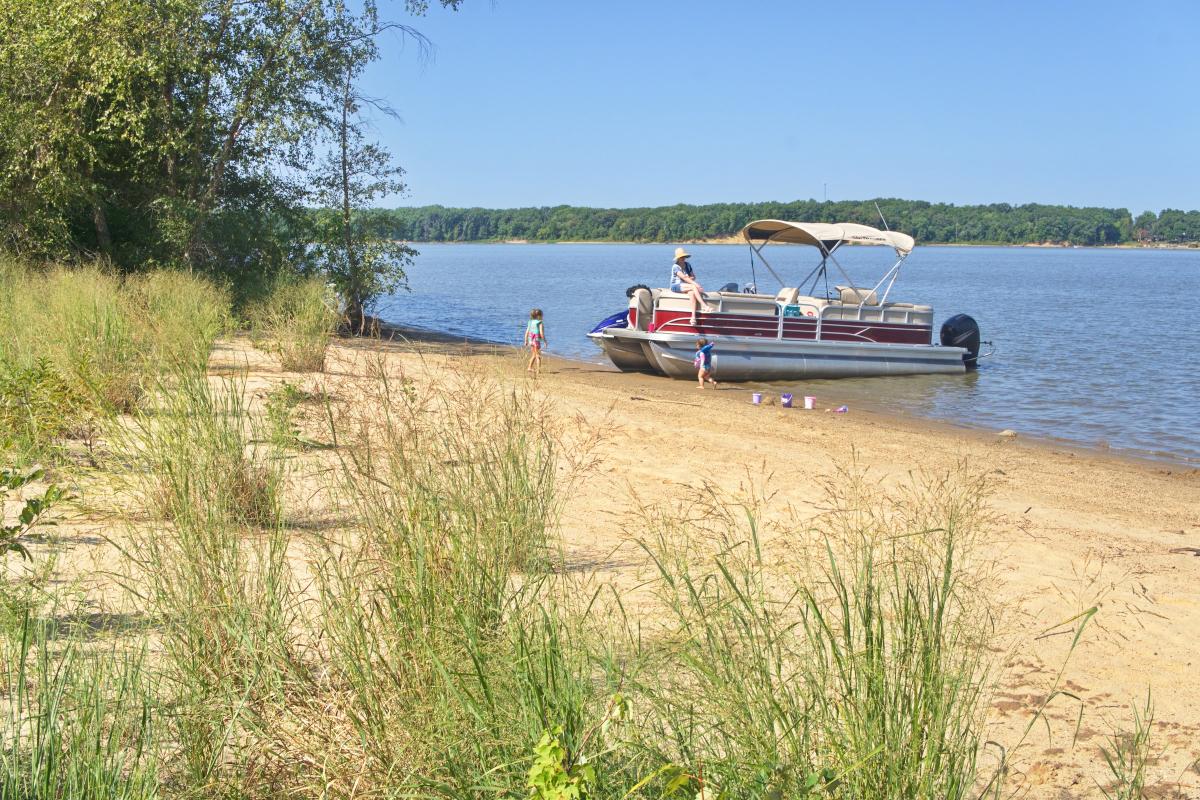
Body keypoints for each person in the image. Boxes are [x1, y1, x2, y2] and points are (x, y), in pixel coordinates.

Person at [670, 247, 713, 325]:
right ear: (678, 258)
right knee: (693, 287)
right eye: (681, 257)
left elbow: (693, 276)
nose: (683, 258)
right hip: (676, 286)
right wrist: (696, 284)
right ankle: (704, 305)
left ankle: (693, 317)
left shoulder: (688, 265)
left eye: (684, 257)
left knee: (692, 293)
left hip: (686, 285)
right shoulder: (675, 267)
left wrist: (690, 279)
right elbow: (684, 277)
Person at [524, 308, 546, 375]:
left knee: (534, 354)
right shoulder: (540, 323)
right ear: (539, 316)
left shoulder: (530, 322)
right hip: (536, 341)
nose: (542, 317)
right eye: (542, 315)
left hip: (531, 340)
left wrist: (525, 340)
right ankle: (538, 370)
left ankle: (529, 367)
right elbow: (541, 333)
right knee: (538, 356)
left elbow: (527, 332)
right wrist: (545, 341)